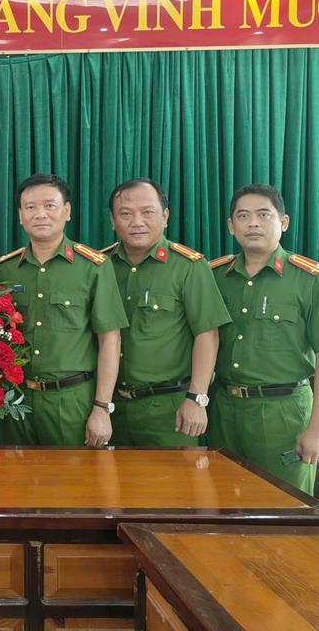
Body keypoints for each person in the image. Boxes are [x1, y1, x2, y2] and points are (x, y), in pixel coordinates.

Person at [210, 184, 319, 493]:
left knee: (286, 507)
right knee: (224, 504)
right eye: (243, 216)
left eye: (263, 215)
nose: (253, 223)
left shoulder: (312, 279)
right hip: (224, 410)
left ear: (283, 222)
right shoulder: (215, 276)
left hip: (284, 413)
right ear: (231, 226)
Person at [0, 173, 128, 447]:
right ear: (20, 216)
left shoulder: (93, 267)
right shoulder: (7, 269)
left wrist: (102, 407)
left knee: (73, 474)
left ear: (67, 211)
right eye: (30, 207)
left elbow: (110, 340)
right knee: (14, 472)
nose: (40, 214)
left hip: (71, 400)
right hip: (15, 398)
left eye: (50, 205)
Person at [102, 179, 230, 447]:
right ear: (113, 221)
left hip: (170, 409)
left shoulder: (188, 266)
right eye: (125, 214)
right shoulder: (100, 266)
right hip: (111, 407)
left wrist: (197, 398)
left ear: (165, 216)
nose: (137, 222)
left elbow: (207, 334)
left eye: (147, 212)